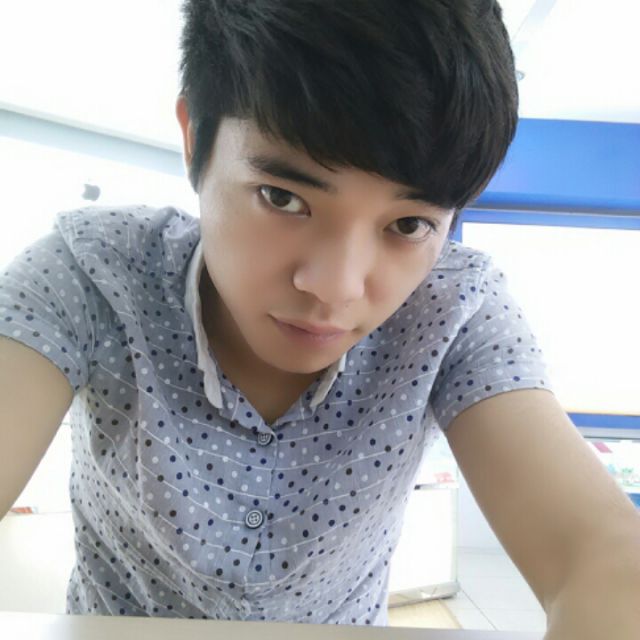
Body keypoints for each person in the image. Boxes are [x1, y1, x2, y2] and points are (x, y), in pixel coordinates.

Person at [0, 0, 638, 636]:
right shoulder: (91, 274)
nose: (335, 288)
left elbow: (602, 557)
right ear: (195, 137)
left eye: (408, 225)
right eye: (282, 197)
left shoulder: (453, 307)